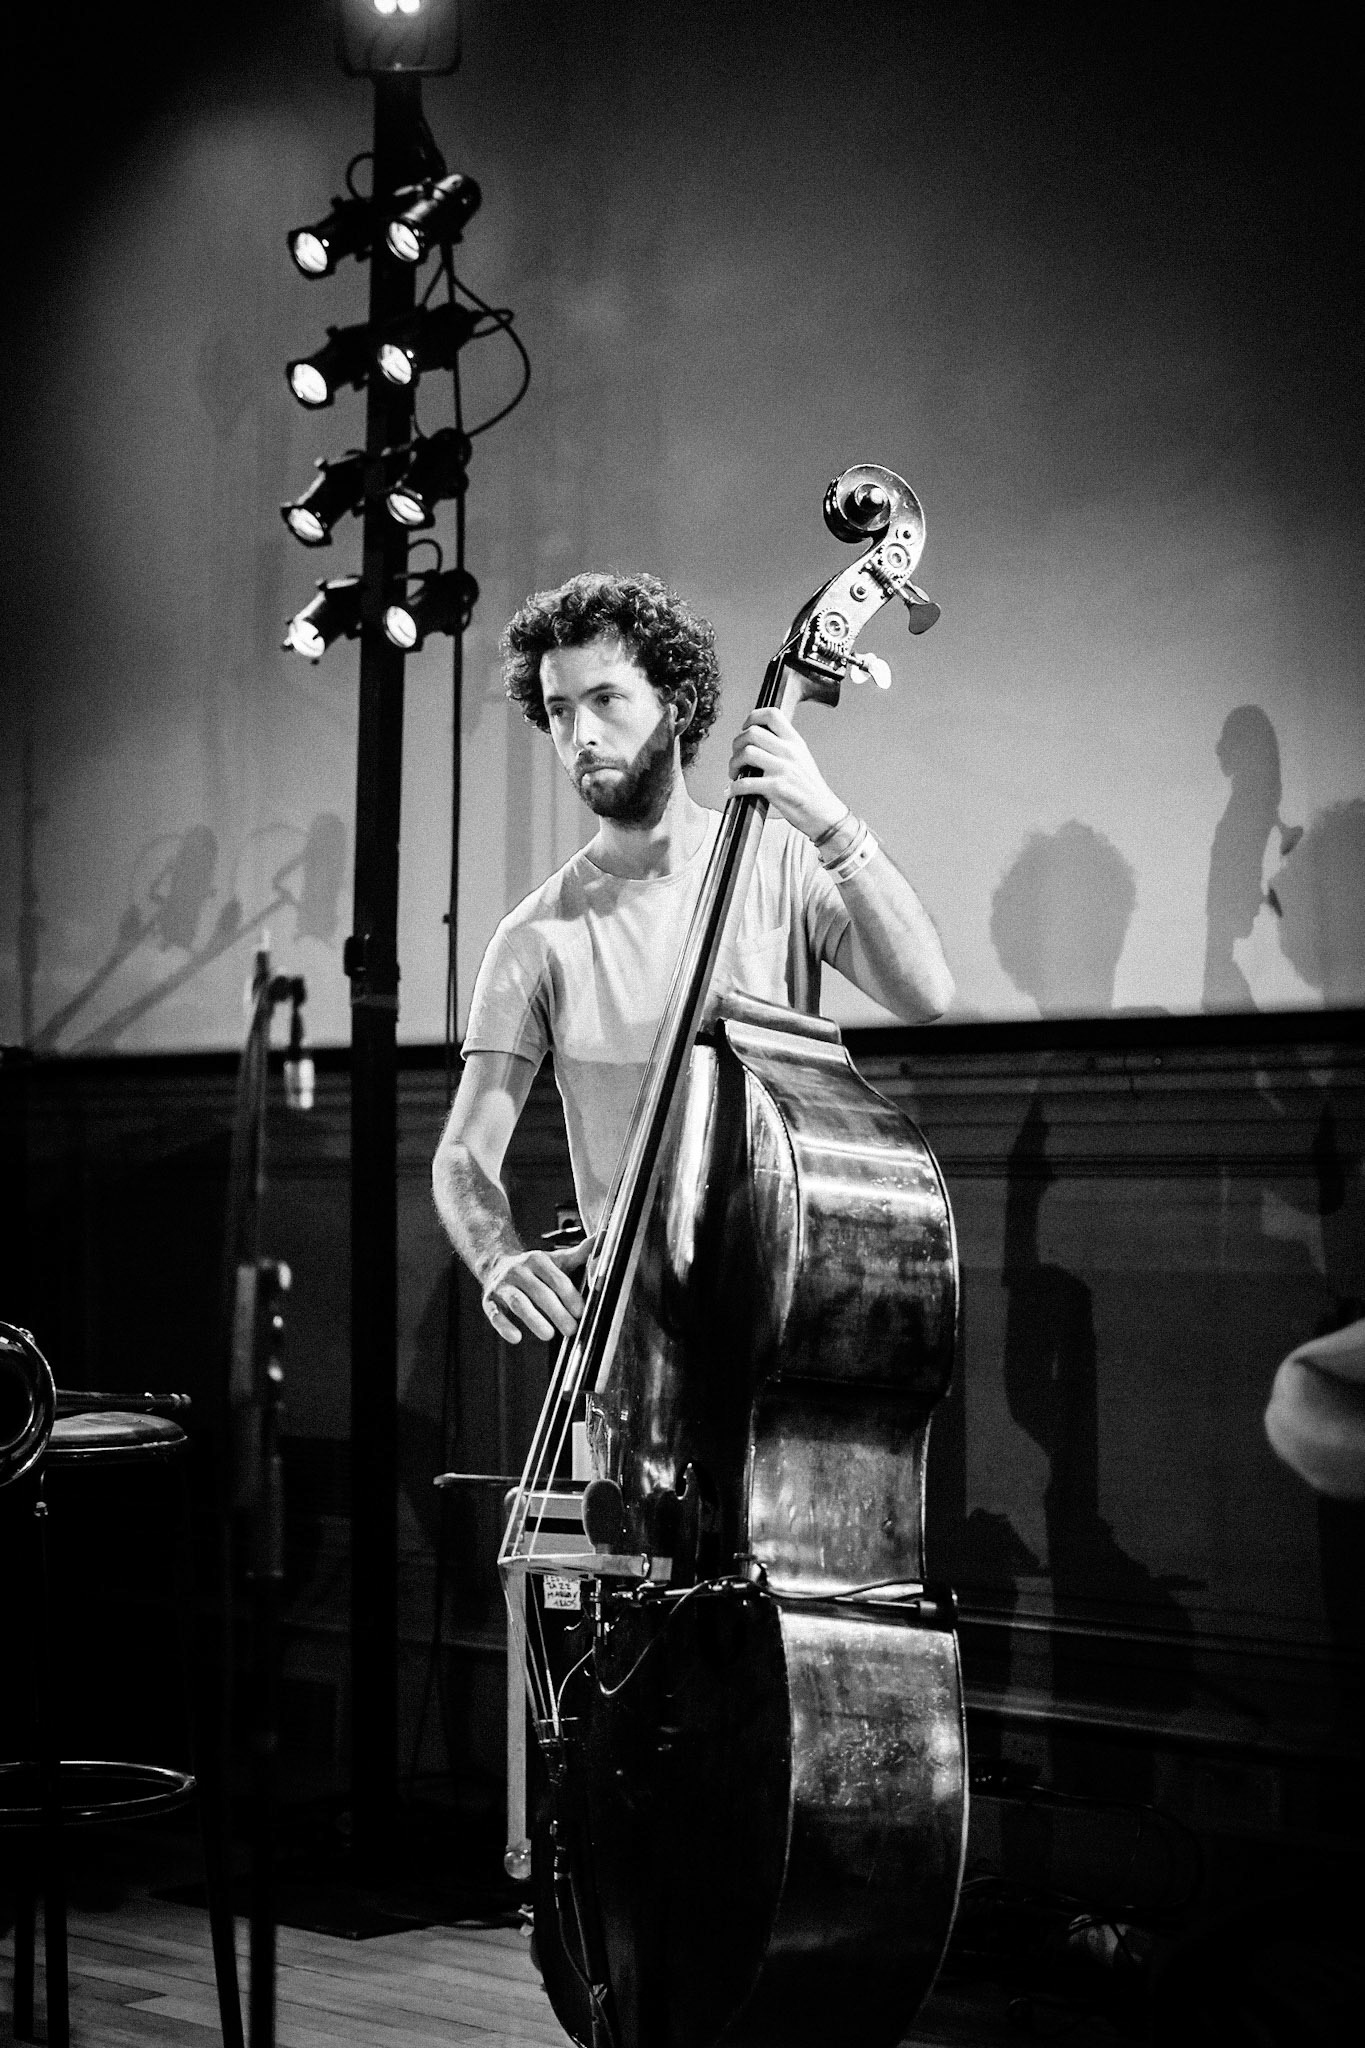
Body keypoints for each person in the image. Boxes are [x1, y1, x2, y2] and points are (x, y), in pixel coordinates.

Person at [432, 571, 954, 1347]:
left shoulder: (783, 864)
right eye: (559, 710)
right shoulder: (535, 935)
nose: (580, 735)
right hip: (631, 1323)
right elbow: (464, 1153)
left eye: (606, 700)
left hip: (791, 1296)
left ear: (675, 706)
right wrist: (498, 1257)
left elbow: (924, 993)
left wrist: (831, 824)